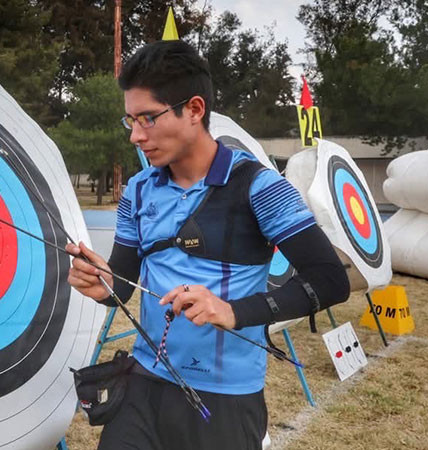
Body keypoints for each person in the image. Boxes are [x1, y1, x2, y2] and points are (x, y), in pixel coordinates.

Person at [66, 40, 350, 450]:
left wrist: (233, 311)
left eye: (148, 118)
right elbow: (124, 285)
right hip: (143, 383)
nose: (136, 136)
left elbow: (329, 280)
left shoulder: (259, 186)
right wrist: (104, 285)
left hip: (226, 397)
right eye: (130, 121)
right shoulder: (138, 191)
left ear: (194, 110)